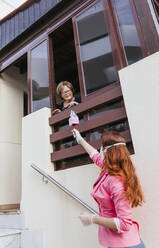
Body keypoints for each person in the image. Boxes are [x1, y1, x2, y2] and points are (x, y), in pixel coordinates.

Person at [72, 129, 146, 248]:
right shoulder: (109, 170)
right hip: (117, 242)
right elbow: (95, 156)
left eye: (102, 147)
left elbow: (124, 224)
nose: (100, 150)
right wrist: (80, 139)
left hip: (126, 245)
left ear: (108, 152)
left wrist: (92, 219)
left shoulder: (116, 182)